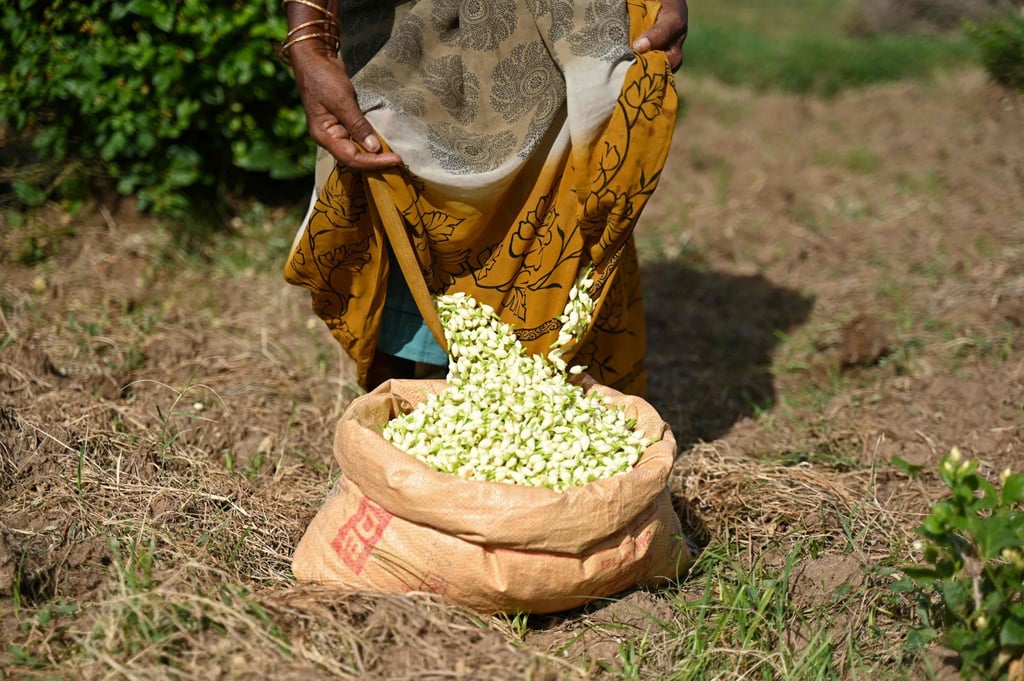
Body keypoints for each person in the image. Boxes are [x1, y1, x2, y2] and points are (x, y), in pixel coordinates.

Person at [282, 0, 689, 395]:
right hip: (402, 23)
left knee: (569, 168)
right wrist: (307, 39)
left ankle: (526, 393)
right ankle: (406, 401)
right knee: (390, 164)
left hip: (566, 25)